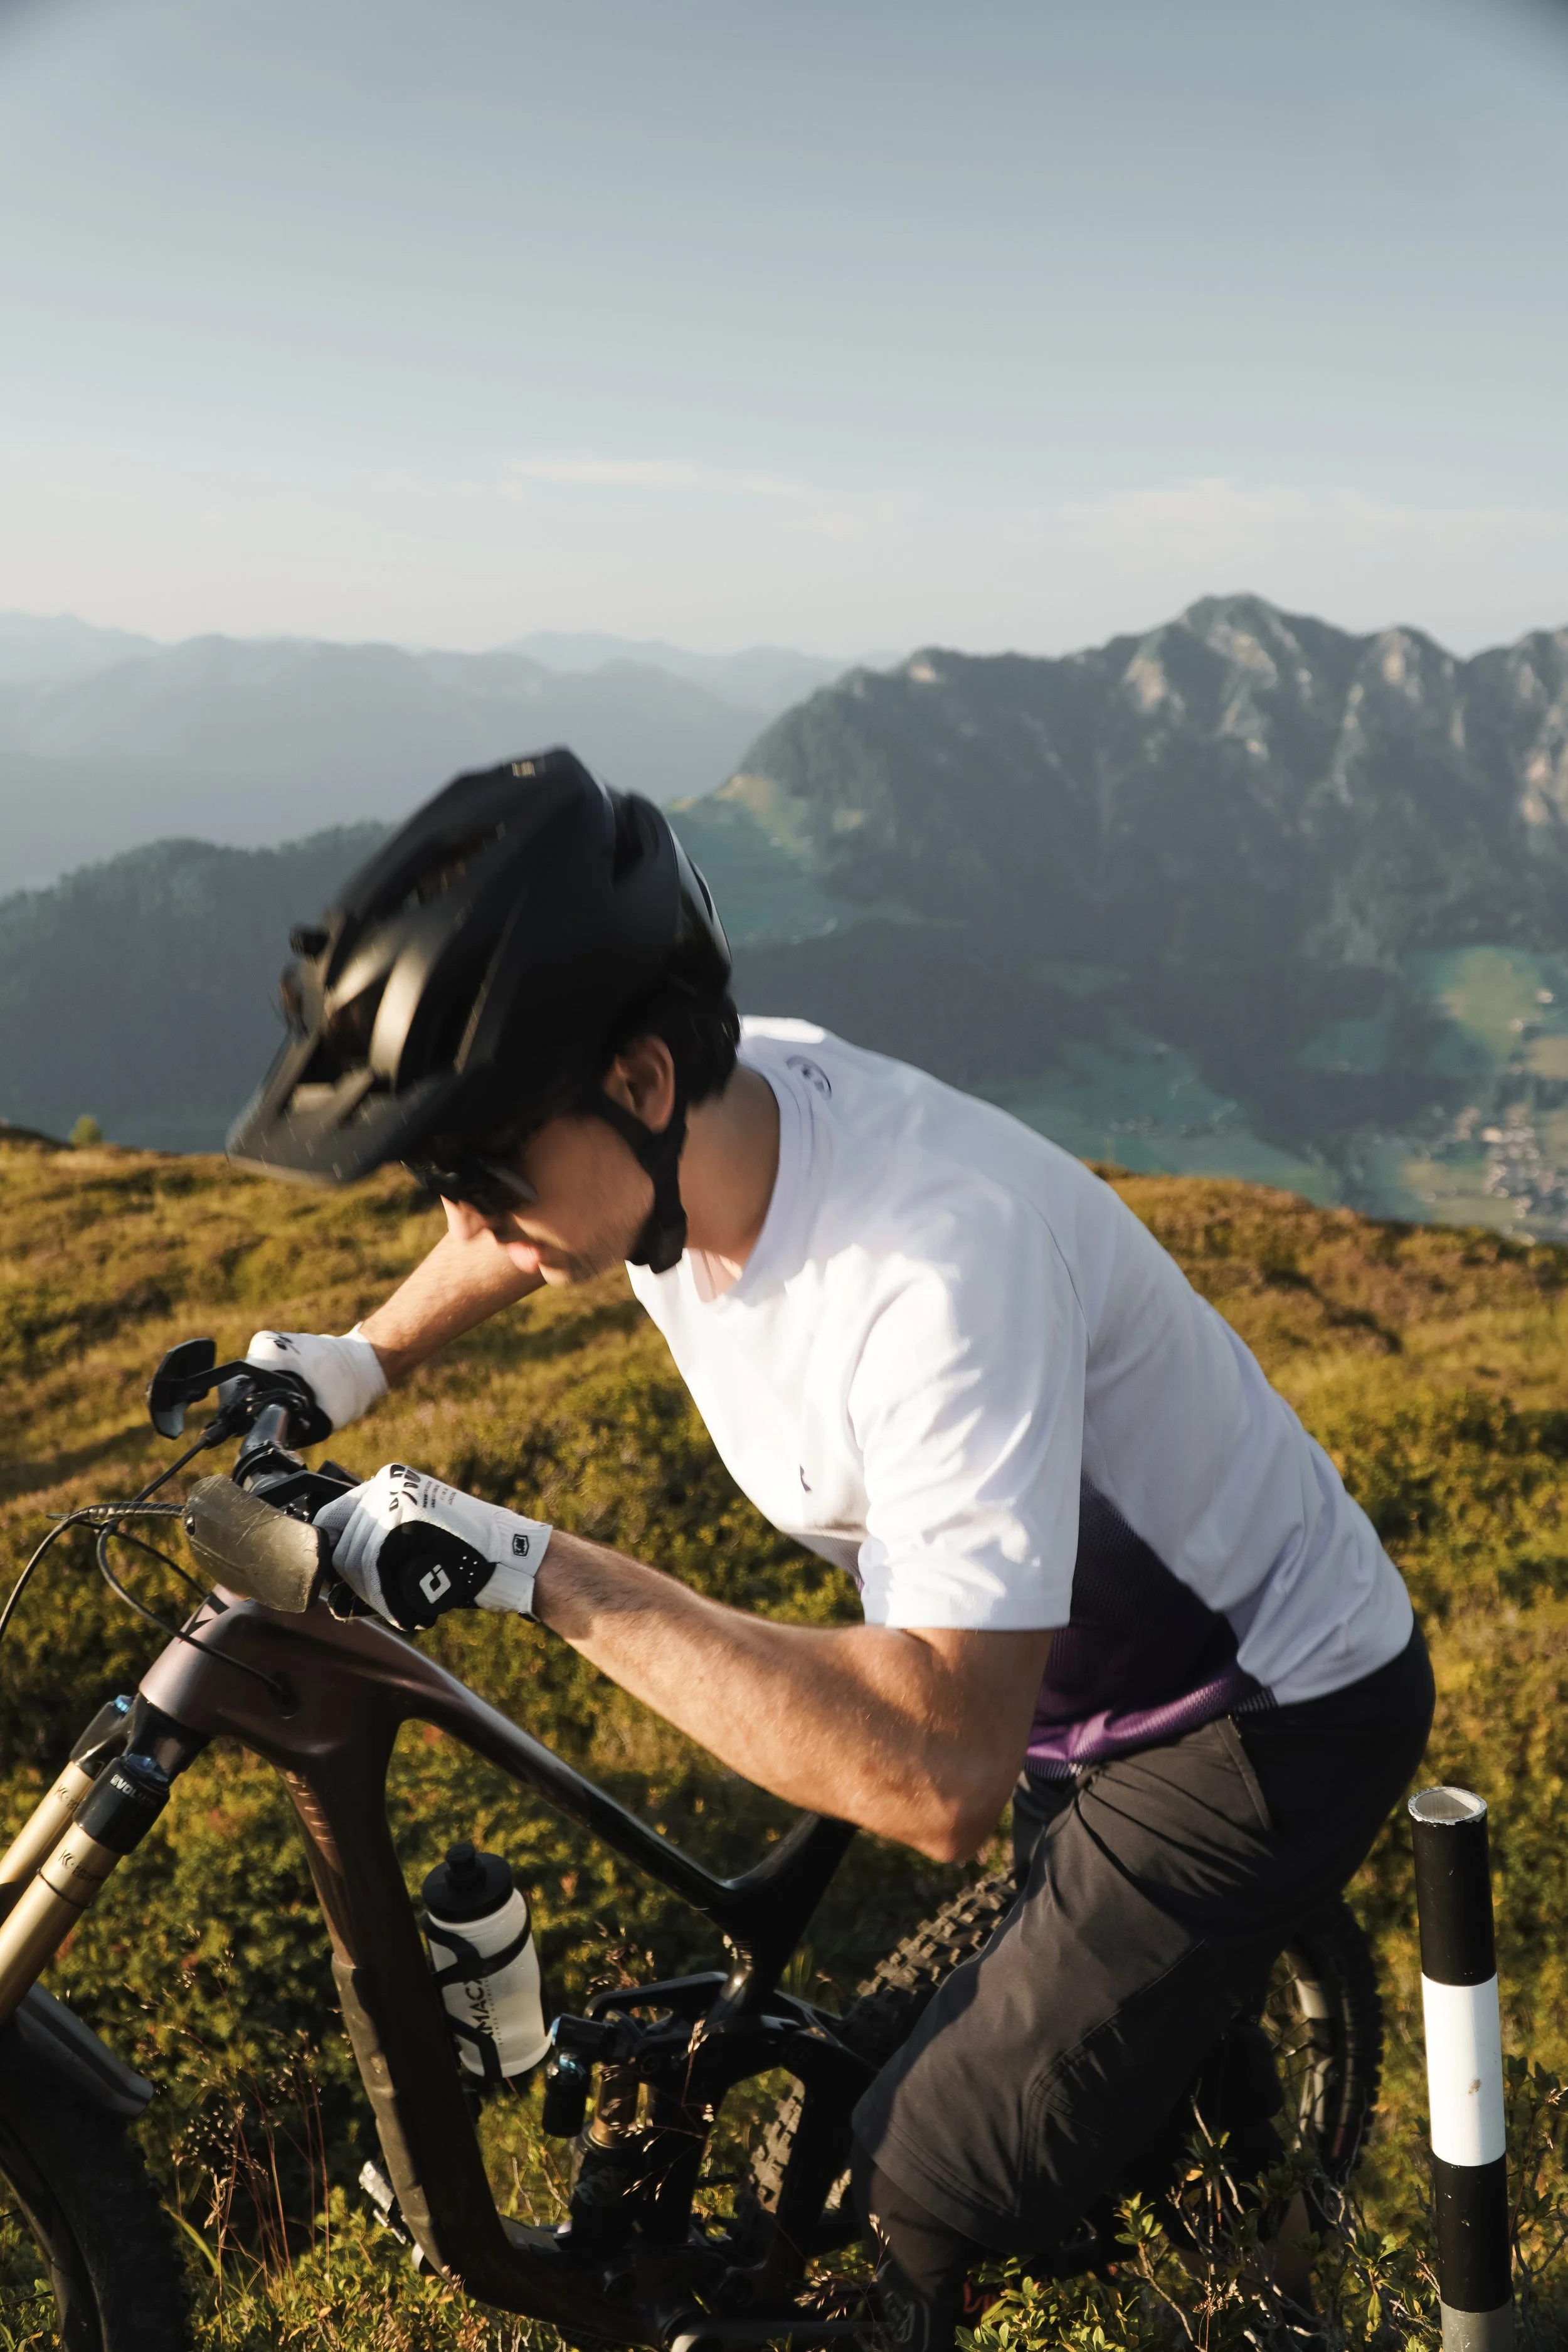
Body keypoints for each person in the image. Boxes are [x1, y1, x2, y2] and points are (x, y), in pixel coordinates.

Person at [231, 747, 1433, 2346]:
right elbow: (525, 1241)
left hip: (1253, 1716)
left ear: (643, 1086)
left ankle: (1225, 2268)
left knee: (918, 2176)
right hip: (1052, 1676)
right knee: (1055, 2054)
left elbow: (939, 1779)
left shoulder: (932, 1273)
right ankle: (1224, 2195)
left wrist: (539, 1568)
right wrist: (356, 1357)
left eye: (482, 1168)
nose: (469, 1217)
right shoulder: (701, 1136)